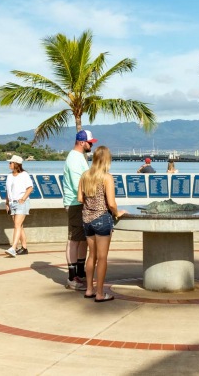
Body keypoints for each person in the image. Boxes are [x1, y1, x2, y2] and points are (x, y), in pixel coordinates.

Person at [78, 145, 123, 302]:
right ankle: (99, 293)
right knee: (102, 257)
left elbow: (79, 199)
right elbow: (111, 203)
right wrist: (118, 213)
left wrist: (90, 205)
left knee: (92, 255)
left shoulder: (85, 175)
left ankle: (89, 290)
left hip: (87, 219)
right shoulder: (106, 177)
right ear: (106, 160)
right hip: (102, 219)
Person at [63, 129, 95, 290]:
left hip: (80, 203)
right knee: (74, 240)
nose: (91, 145)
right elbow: (79, 184)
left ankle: (80, 272)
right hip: (75, 204)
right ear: (82, 142)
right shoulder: (75, 159)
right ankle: (72, 277)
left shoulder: (78, 157)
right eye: (90, 143)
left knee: (82, 239)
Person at [5, 155, 33, 257]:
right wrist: (7, 203)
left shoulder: (24, 175)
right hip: (12, 203)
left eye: (11, 162)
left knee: (17, 225)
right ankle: (24, 248)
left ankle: (13, 248)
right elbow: (8, 191)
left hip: (22, 202)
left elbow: (30, 188)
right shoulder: (9, 176)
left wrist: (23, 199)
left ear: (16, 164)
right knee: (19, 226)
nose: (9, 164)